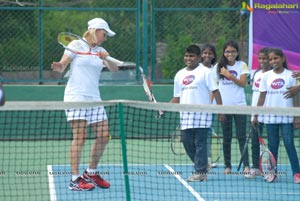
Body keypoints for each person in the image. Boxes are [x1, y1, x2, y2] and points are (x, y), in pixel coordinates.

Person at [51, 18, 118, 191]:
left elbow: (115, 70)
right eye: (104, 34)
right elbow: (63, 64)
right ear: (95, 31)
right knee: (79, 138)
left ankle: (91, 172)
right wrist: (59, 66)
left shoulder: (101, 50)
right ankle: (74, 179)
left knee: (104, 136)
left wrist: (107, 59)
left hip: (94, 98)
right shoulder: (75, 45)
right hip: (76, 97)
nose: (105, 38)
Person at [170, 45, 223, 182]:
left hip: (202, 116)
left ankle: (200, 172)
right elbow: (177, 97)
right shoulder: (179, 74)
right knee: (187, 143)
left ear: (198, 57)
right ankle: (203, 165)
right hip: (185, 117)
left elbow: (216, 91)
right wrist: (164, 107)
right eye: (187, 56)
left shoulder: (206, 72)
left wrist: (221, 110)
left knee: (201, 144)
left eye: (192, 56)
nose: (188, 58)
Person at [252, 48, 300, 183]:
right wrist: (256, 115)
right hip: (270, 117)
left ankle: (297, 173)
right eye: (271, 59)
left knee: (289, 143)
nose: (273, 61)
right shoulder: (265, 76)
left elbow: (295, 96)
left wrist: (296, 116)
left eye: (276, 58)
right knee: (273, 145)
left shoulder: (291, 75)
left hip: (287, 116)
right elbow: (261, 97)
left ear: (282, 59)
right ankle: (272, 173)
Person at [215, 40, 250, 175]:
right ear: (224, 53)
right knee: (226, 138)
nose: (230, 54)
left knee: (242, 137)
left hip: (240, 108)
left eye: (233, 51)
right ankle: (227, 166)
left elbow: (242, 83)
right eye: (228, 51)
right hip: (225, 109)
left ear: (237, 52)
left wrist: (229, 75)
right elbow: (214, 88)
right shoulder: (218, 67)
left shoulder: (242, 65)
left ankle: (246, 166)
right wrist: (218, 109)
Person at [246, 47, 272, 179]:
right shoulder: (256, 73)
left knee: (273, 141)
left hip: (270, 113)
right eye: (260, 58)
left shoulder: (273, 74)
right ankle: (255, 168)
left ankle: (272, 169)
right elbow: (255, 94)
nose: (262, 61)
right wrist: (254, 113)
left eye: (265, 58)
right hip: (255, 113)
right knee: (255, 142)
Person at [200, 44, 218, 168]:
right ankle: (200, 158)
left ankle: (208, 159)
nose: (207, 55)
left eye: (210, 53)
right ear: (201, 55)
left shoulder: (216, 69)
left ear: (214, 56)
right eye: (205, 53)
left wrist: (210, 105)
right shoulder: (197, 68)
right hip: (198, 107)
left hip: (211, 109)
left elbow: (214, 89)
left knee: (207, 134)